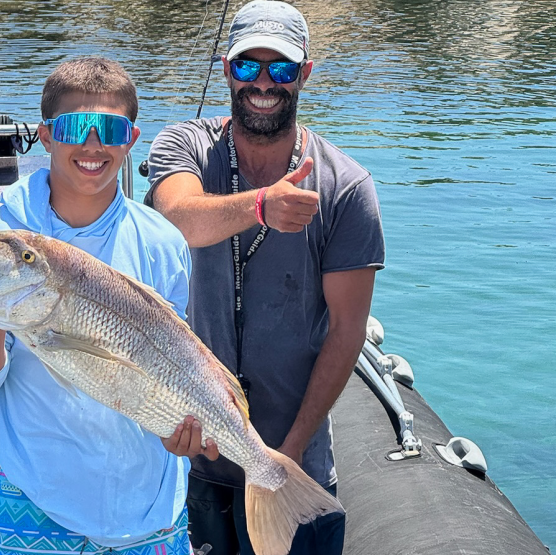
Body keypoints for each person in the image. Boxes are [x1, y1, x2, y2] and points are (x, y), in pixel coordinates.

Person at [145, 1, 386, 554]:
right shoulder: (183, 145)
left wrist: (289, 453)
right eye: (247, 66)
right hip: (195, 462)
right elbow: (178, 216)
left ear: (303, 74)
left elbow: (347, 332)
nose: (263, 83)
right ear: (227, 69)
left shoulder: (347, 188)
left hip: (295, 459)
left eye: (279, 69)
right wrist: (262, 206)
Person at [0, 56, 194, 555]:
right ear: (46, 135)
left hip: (148, 506)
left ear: (131, 137)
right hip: (36, 498)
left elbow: (177, 370)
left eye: (109, 128)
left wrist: (184, 431)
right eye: (74, 126)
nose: (92, 144)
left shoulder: (163, 243)